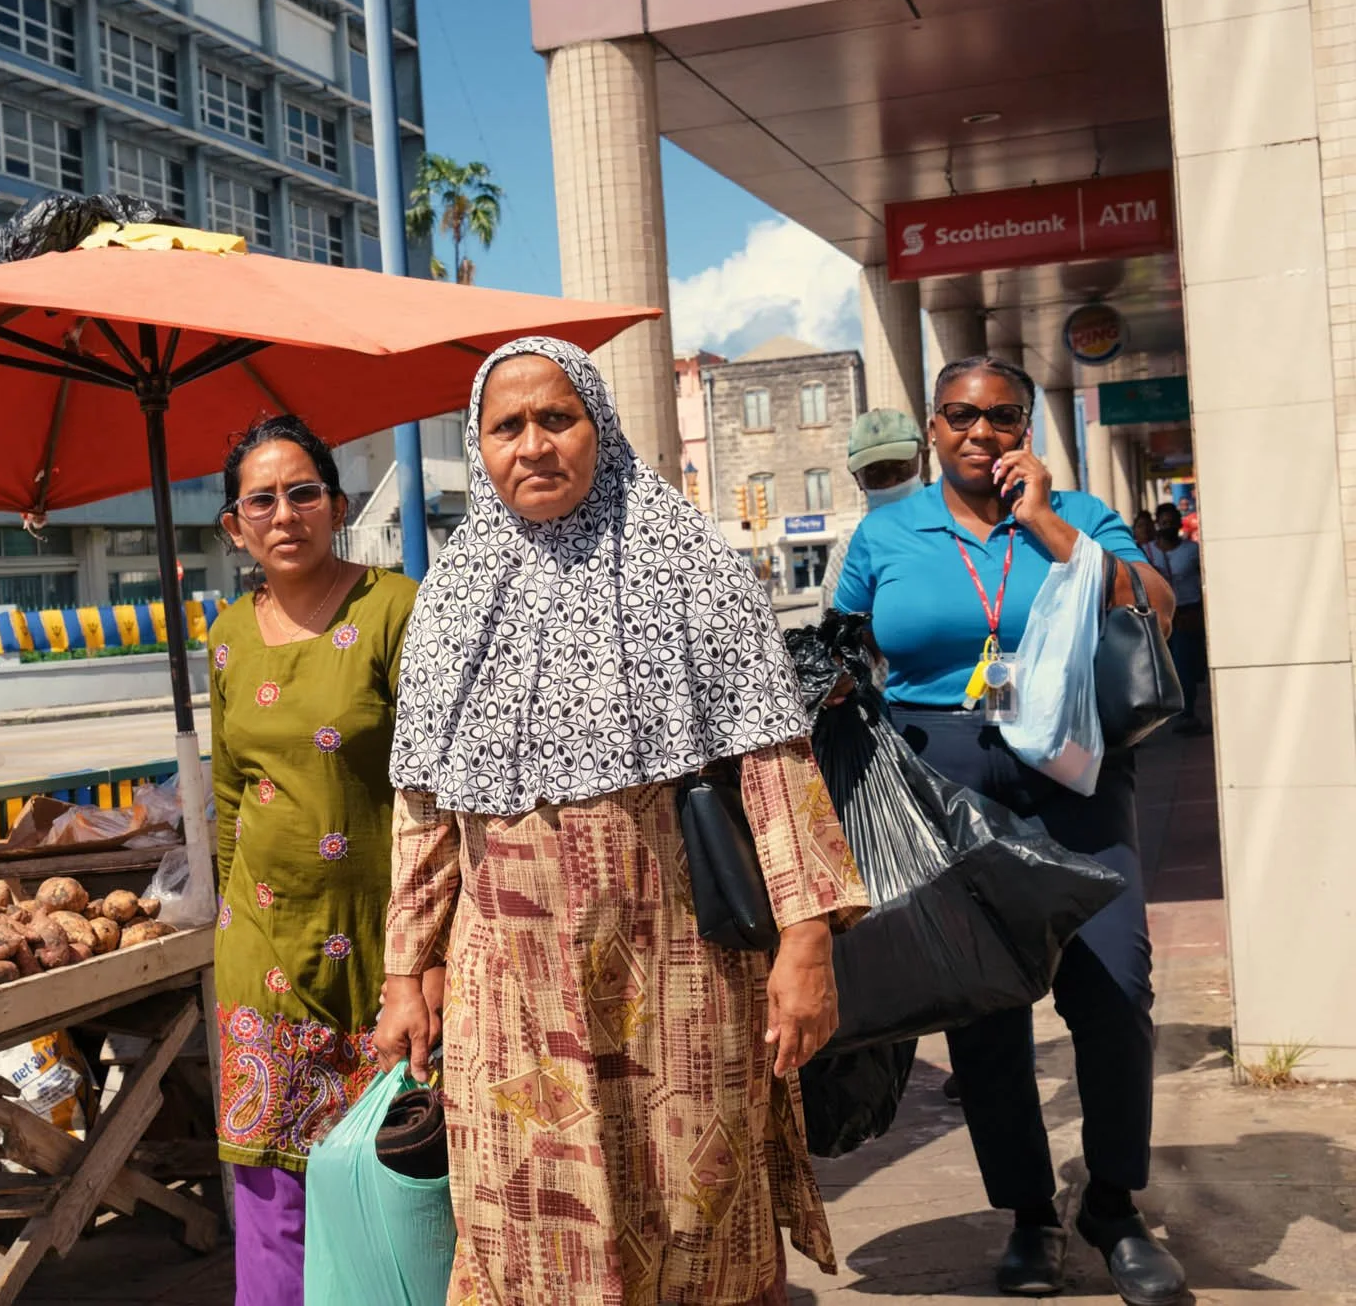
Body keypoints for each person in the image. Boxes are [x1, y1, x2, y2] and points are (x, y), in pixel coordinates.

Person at [375, 336, 868, 1306]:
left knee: (698, 1219)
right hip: (508, 991)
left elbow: (773, 762)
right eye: (506, 426)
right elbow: (422, 810)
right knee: (525, 1230)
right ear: (478, 445)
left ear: (598, 424)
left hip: (675, 974)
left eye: (555, 418)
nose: (533, 444)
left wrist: (806, 940)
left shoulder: (691, 564)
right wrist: (403, 969)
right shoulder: (450, 599)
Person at [832, 355, 1183, 1306]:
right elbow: (846, 644)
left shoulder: (1080, 515)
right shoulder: (886, 532)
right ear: (932, 428)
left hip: (1069, 769)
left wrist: (1049, 528)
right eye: (960, 415)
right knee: (983, 1007)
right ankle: (1031, 1213)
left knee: (1115, 986)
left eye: (1001, 417)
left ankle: (1112, 1204)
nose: (979, 433)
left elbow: (1155, 609)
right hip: (940, 779)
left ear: (1025, 427)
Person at [203, 414, 421, 1306]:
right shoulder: (226, 635)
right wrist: (226, 918)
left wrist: (431, 949)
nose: (284, 514)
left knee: (391, 1168)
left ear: (337, 505)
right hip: (260, 942)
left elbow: (435, 788)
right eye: (261, 501)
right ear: (235, 527)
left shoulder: (396, 609)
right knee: (269, 1182)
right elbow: (228, 794)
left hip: (385, 944)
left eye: (303, 493)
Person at [821, 407, 928, 609]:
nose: (890, 482)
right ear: (857, 480)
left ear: (924, 459)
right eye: (874, 473)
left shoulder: (958, 530)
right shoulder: (845, 557)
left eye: (900, 468)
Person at [1147, 503, 1207, 736]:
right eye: (1163, 522)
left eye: (1171, 522)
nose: (1167, 526)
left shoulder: (1192, 550)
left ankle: (1186, 712)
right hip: (1157, 616)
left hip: (1186, 614)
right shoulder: (1146, 552)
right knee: (1160, 666)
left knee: (1184, 665)